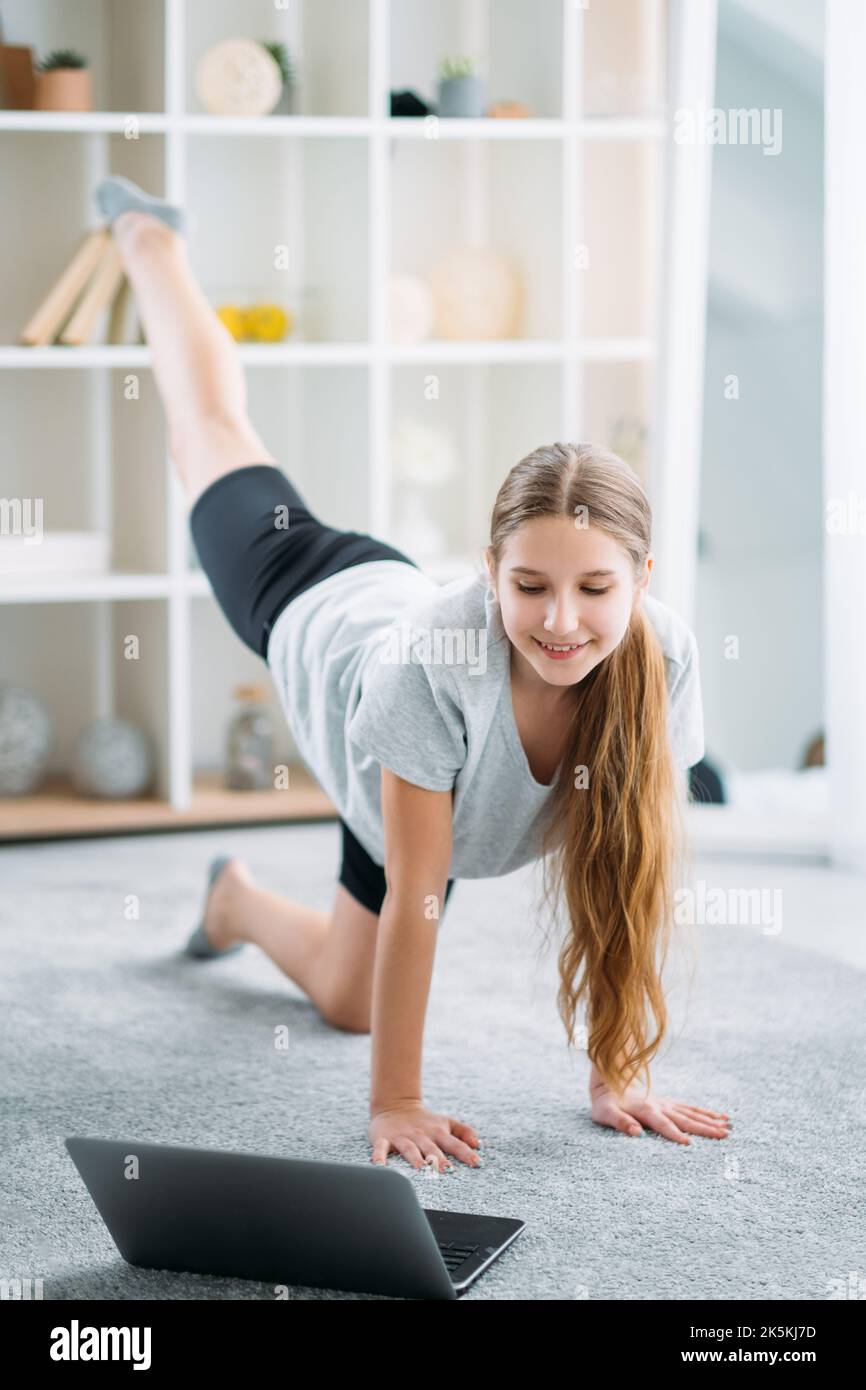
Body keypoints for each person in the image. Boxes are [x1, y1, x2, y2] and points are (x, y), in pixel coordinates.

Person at [94, 176, 731, 1173]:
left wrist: (619, 1067)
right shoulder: (429, 674)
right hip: (321, 605)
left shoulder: (664, 657)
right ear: (488, 573)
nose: (561, 623)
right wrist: (396, 1101)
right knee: (210, 432)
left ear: (640, 581)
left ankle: (235, 903)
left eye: (594, 590)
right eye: (528, 585)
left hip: (401, 754)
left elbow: (629, 869)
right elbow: (418, 897)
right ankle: (145, 240)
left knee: (350, 1002)